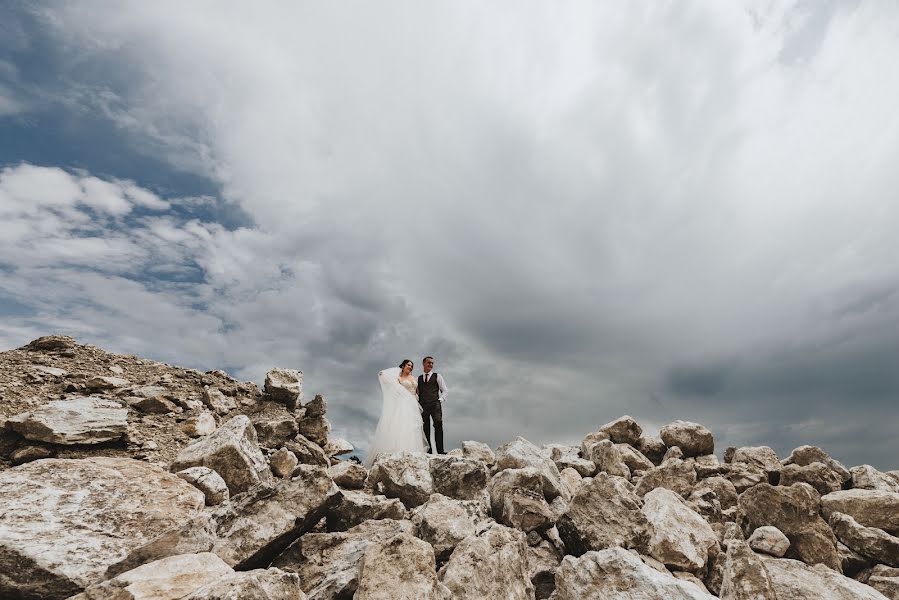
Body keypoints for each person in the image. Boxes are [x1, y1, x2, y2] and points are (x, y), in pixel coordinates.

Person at [365, 359, 428, 467]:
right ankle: (397, 452)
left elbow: (418, 392)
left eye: (412, 366)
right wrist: (382, 374)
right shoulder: (398, 379)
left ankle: (412, 455)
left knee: (412, 428)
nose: (410, 367)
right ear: (403, 366)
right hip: (403, 404)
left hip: (413, 405)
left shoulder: (415, 378)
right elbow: (387, 382)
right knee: (401, 425)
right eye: (408, 365)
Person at [417, 356, 447, 454]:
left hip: (435, 404)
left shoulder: (437, 376)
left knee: (438, 425)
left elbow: (445, 390)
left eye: (432, 363)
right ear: (424, 364)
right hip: (423, 406)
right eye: (429, 362)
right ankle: (428, 452)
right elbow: (417, 393)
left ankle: (440, 451)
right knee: (425, 428)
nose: (431, 365)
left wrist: (440, 400)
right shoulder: (418, 379)